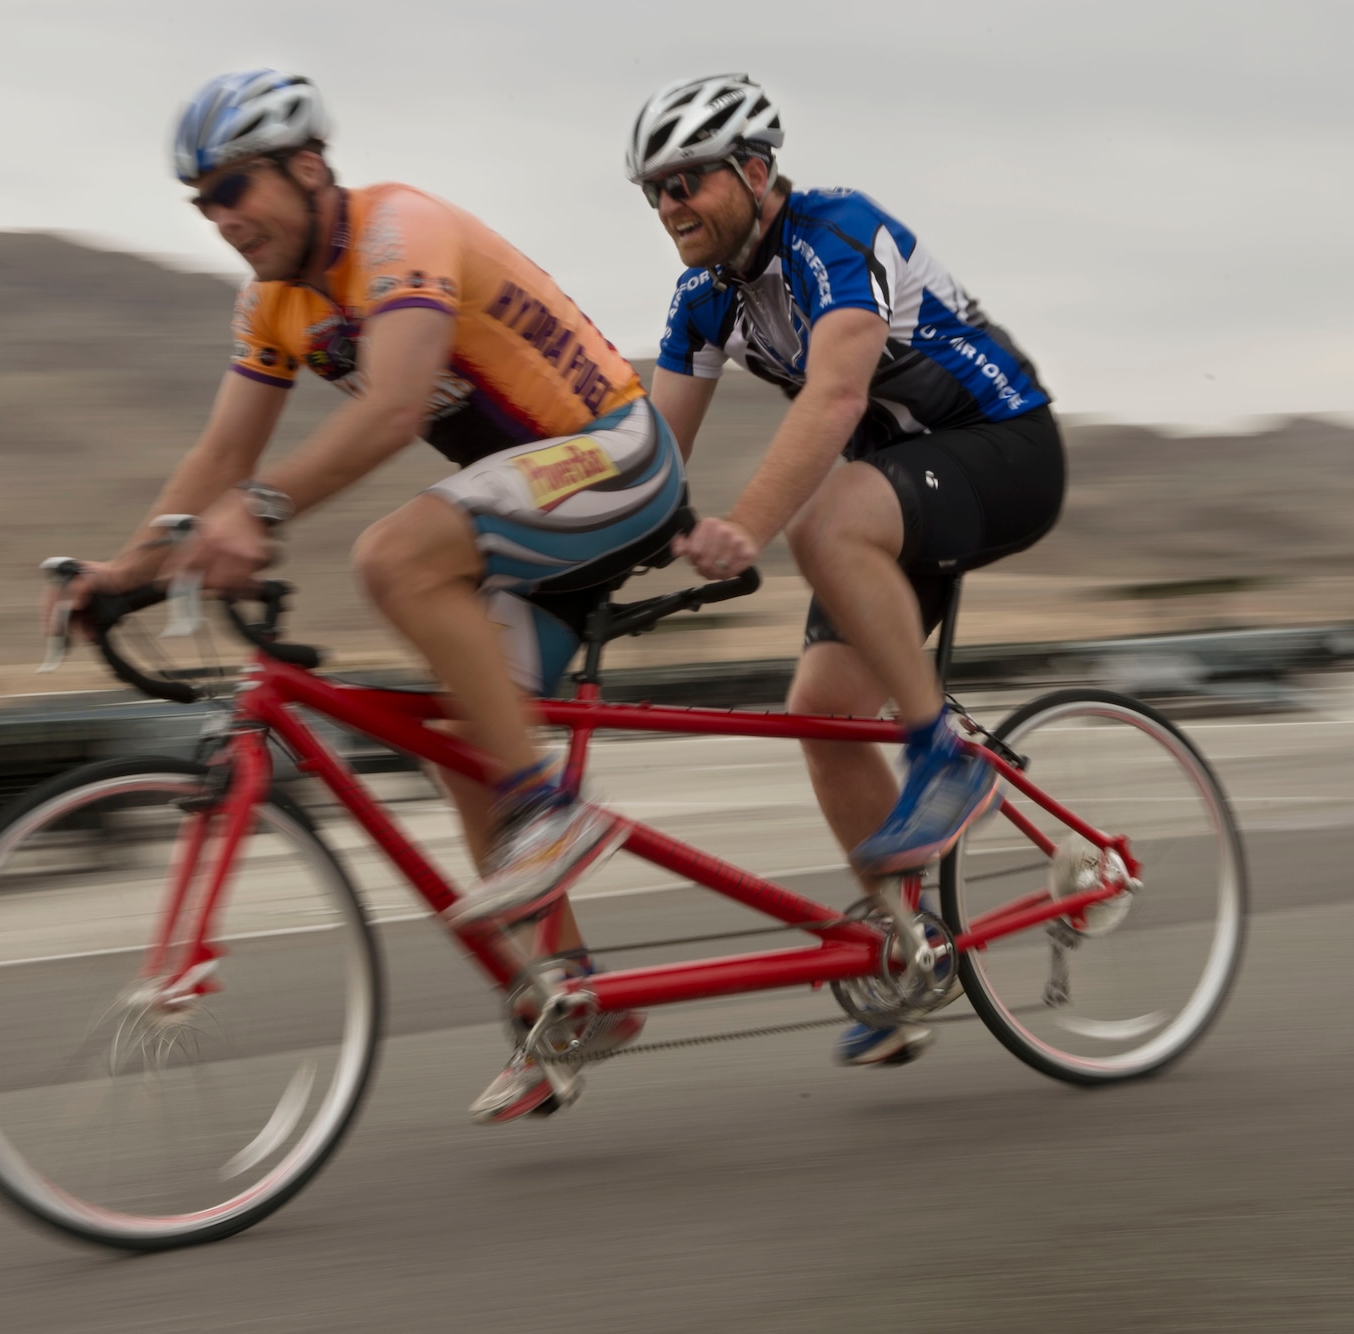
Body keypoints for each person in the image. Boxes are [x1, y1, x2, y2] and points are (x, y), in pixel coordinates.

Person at [60, 70, 684, 1122]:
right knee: (461, 737)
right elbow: (223, 448)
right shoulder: (275, 303)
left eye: (234, 189)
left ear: (307, 167)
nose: (221, 219)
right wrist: (127, 571)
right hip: (529, 517)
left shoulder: (399, 232)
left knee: (394, 555)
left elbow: (394, 405)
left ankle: (552, 814)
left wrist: (259, 511)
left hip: (614, 461)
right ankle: (571, 996)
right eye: (202, 203)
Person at [628, 74, 1067, 1068]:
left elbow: (831, 401)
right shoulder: (702, 300)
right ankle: (909, 950)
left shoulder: (834, 233)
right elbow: (653, 457)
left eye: (686, 181)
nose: (668, 207)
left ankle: (942, 755)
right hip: (904, 490)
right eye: (651, 191)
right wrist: (577, 558)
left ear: (753, 170)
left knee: (818, 522)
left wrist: (743, 524)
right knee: (822, 713)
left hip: (1001, 448)